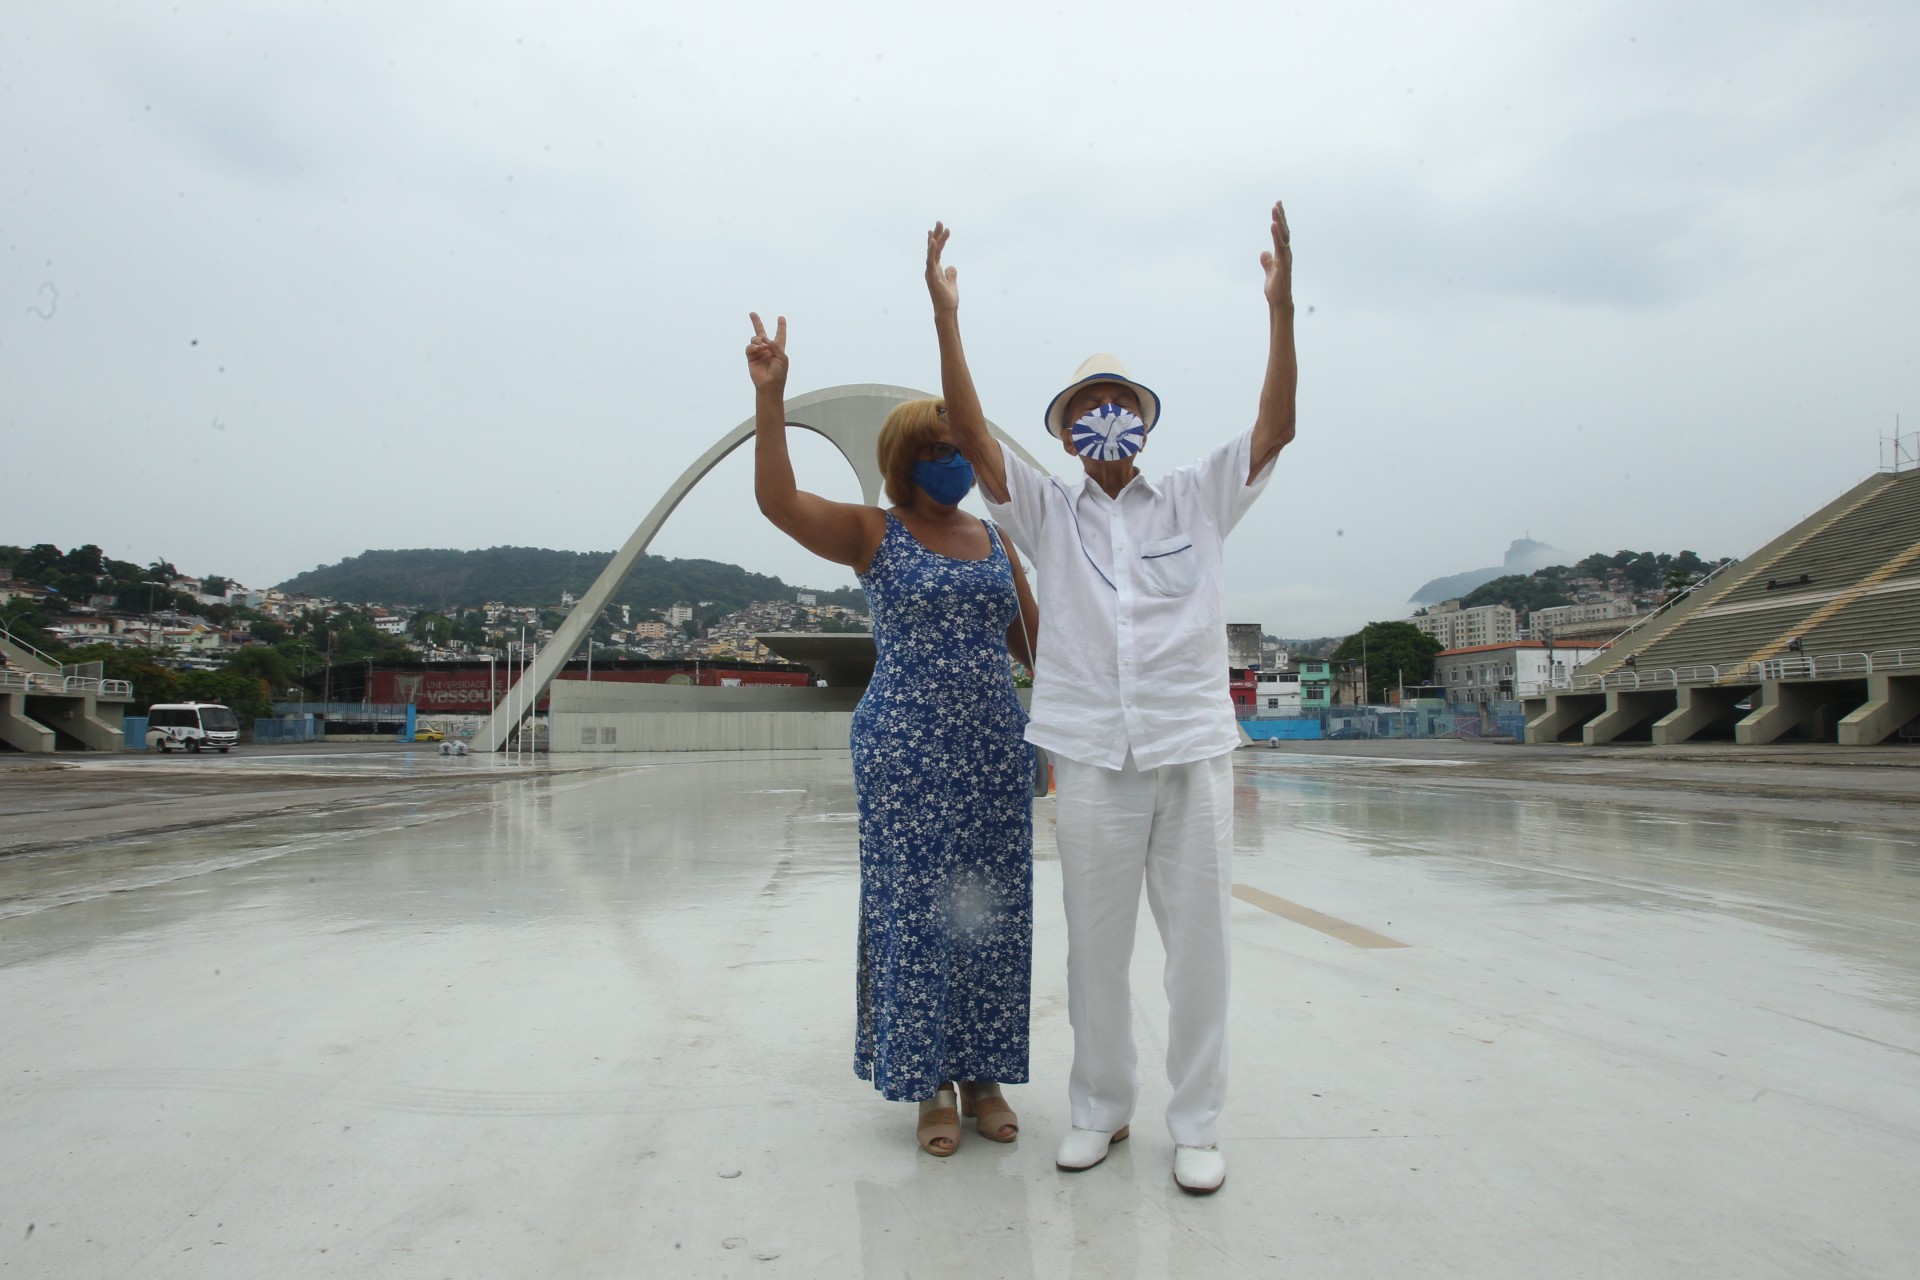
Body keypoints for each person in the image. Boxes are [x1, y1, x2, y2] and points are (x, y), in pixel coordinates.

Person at [924, 202, 1297, 1194]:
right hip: (1091, 752)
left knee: (1200, 950)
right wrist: (946, 316)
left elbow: (1276, 429)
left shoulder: (1195, 496)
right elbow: (967, 431)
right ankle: (1100, 1109)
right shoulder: (1045, 511)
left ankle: (1199, 1121)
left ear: (1142, 419)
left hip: (1189, 748)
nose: (1103, 421)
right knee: (1096, 949)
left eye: (1117, 403)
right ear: (1066, 433)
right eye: (1084, 409)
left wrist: (1281, 308)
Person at [744, 312, 1041, 1156]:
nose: (951, 460)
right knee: (915, 908)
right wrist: (773, 399)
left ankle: (983, 1072)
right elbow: (778, 502)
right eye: (934, 448)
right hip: (904, 745)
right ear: (903, 462)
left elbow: (1039, 645)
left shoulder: (996, 543)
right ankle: (929, 1085)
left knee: (992, 911)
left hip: (994, 746)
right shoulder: (875, 531)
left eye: (959, 446)